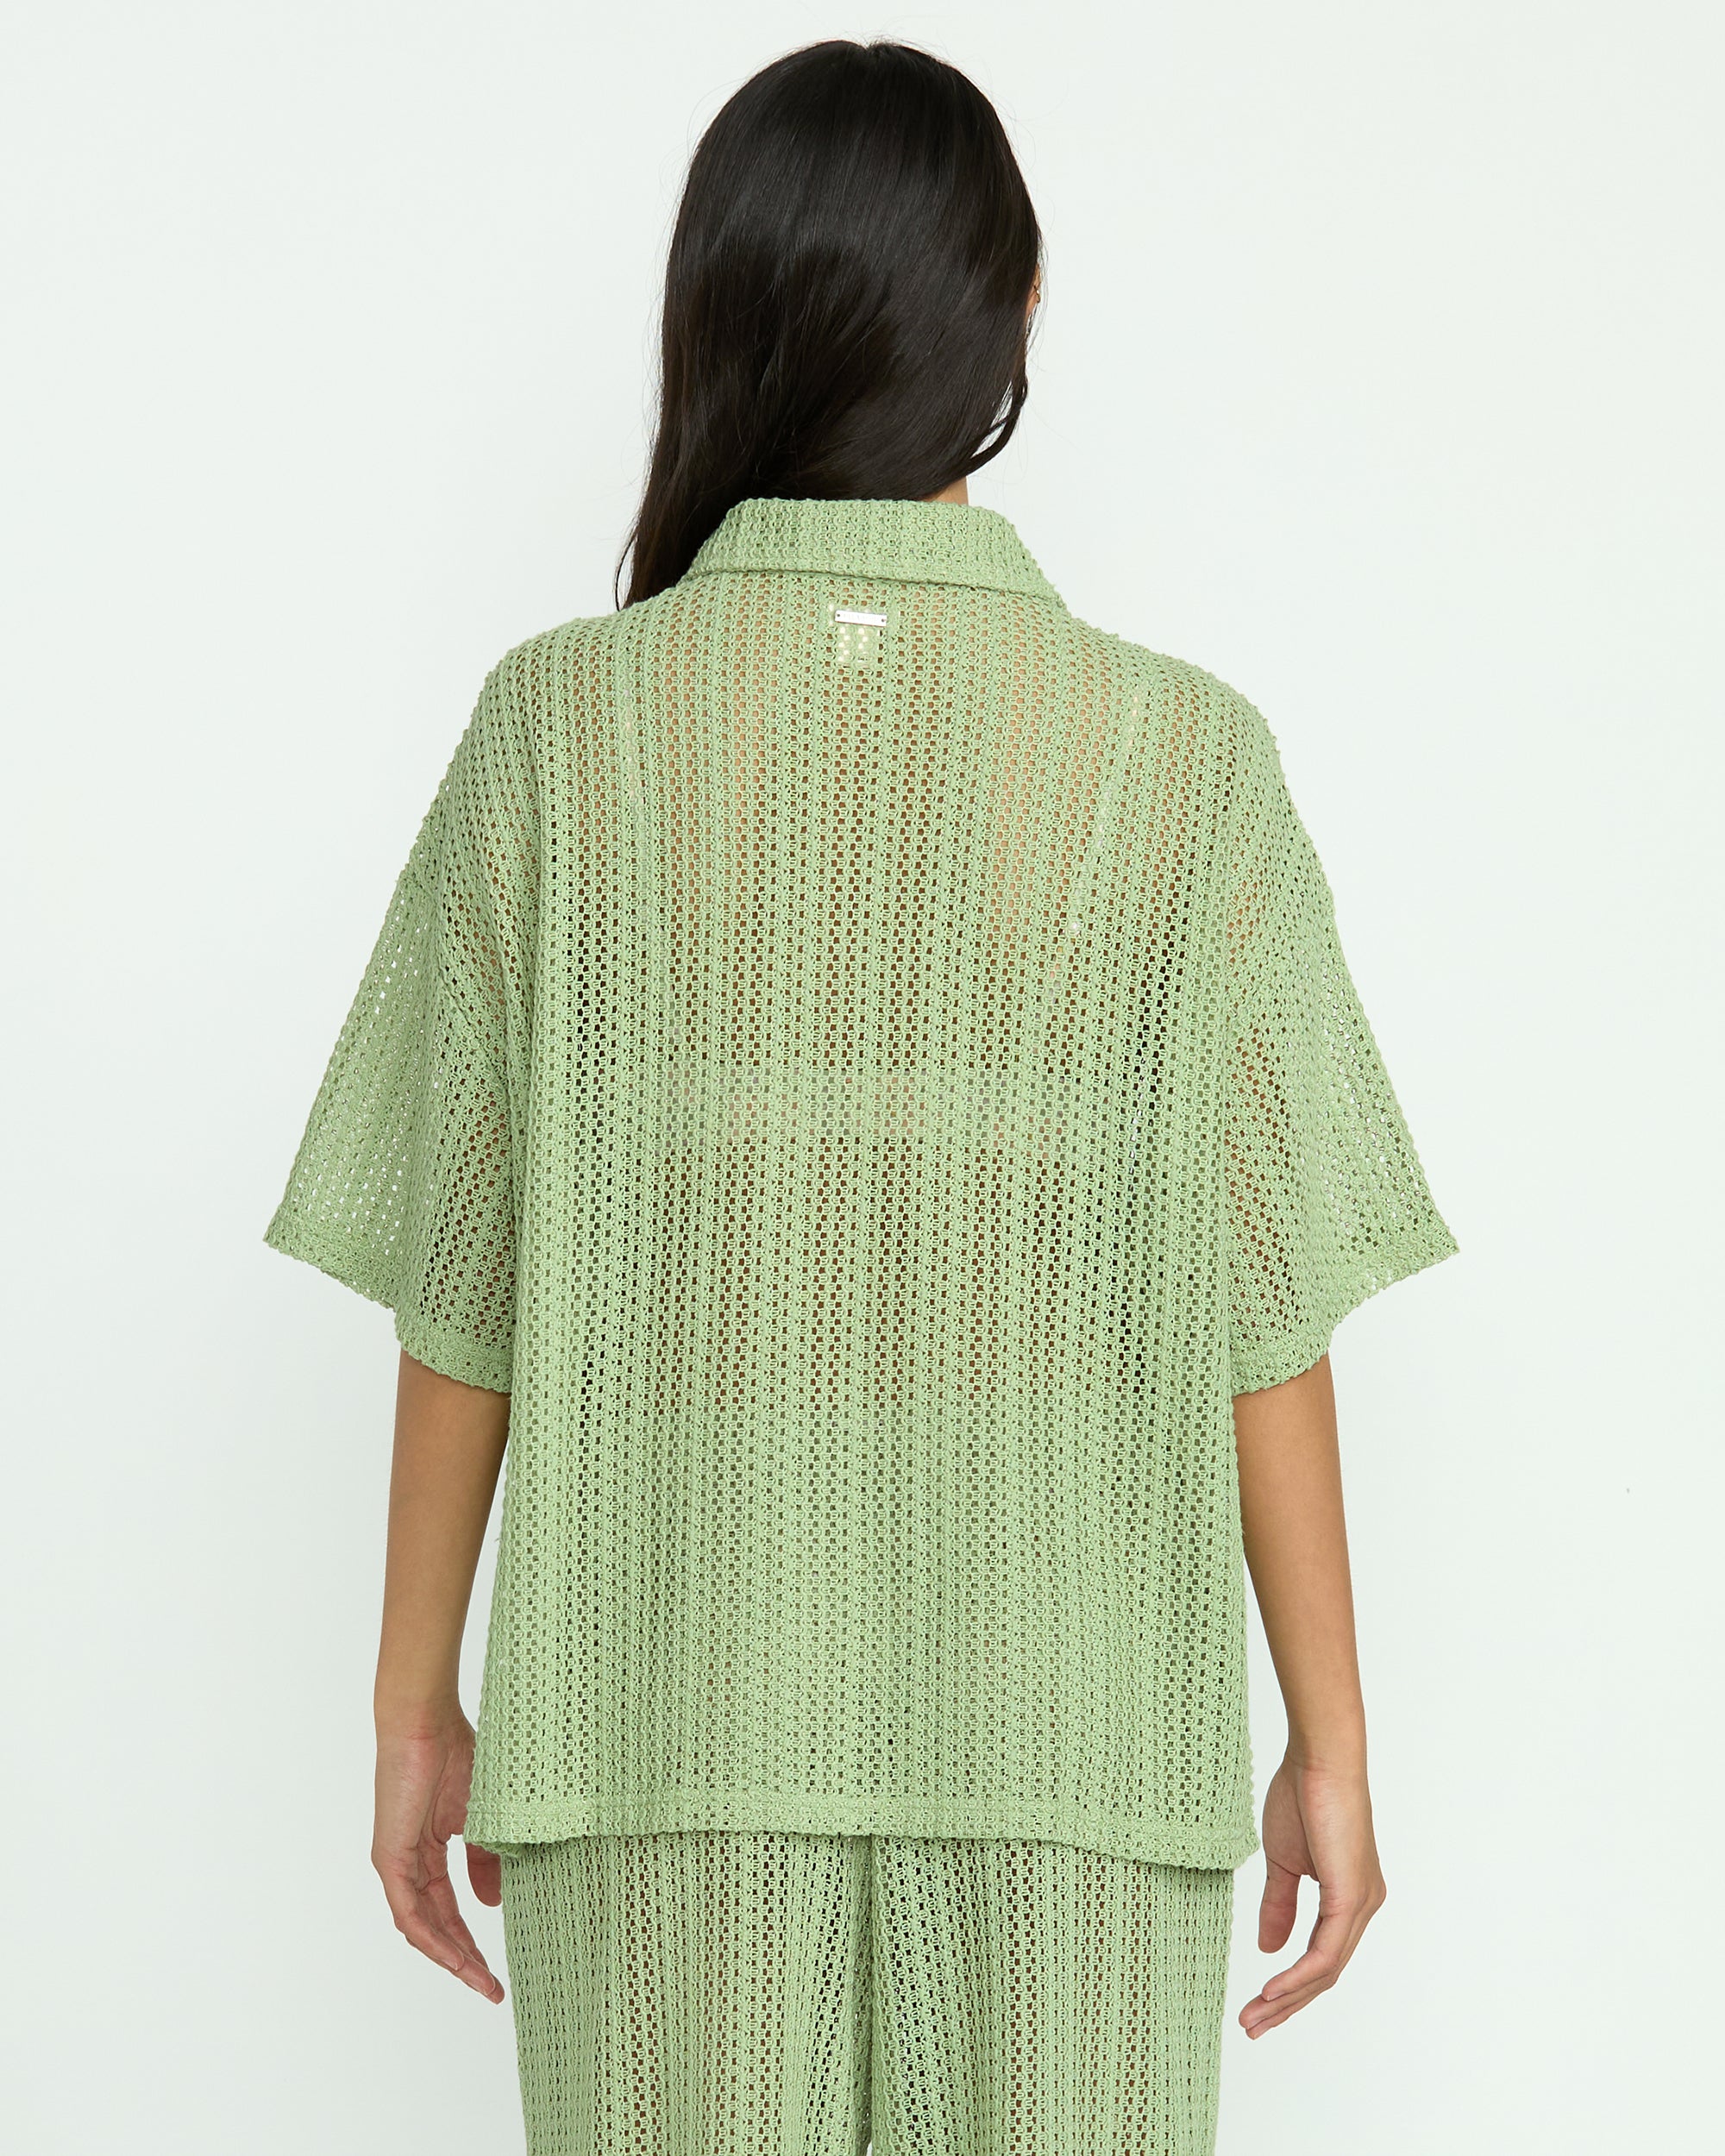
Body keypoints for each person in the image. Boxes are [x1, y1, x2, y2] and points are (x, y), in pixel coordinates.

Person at [264, 35, 1458, 2156]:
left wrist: (412, 1704)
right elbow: (1262, 1306)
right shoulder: (1183, 762)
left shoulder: (562, 733)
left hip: (652, 1733)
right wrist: (1331, 1740)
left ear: (716, 314)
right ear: (1010, 312)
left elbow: (464, 1279)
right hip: (1079, 1759)